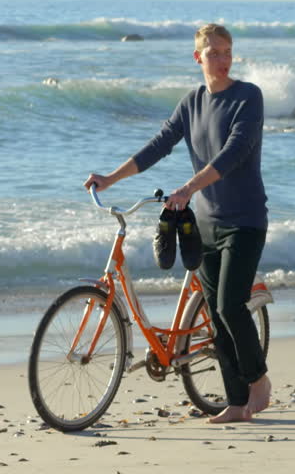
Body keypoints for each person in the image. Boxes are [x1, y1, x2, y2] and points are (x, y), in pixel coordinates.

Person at [84, 23, 271, 424]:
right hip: (203, 224)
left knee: (228, 305)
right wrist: (110, 178)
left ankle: (259, 380)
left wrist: (187, 187)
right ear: (197, 57)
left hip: (245, 221)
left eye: (227, 52)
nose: (222, 60)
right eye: (214, 53)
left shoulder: (247, 97)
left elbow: (234, 154)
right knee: (217, 317)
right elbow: (160, 144)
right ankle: (237, 404)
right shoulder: (192, 102)